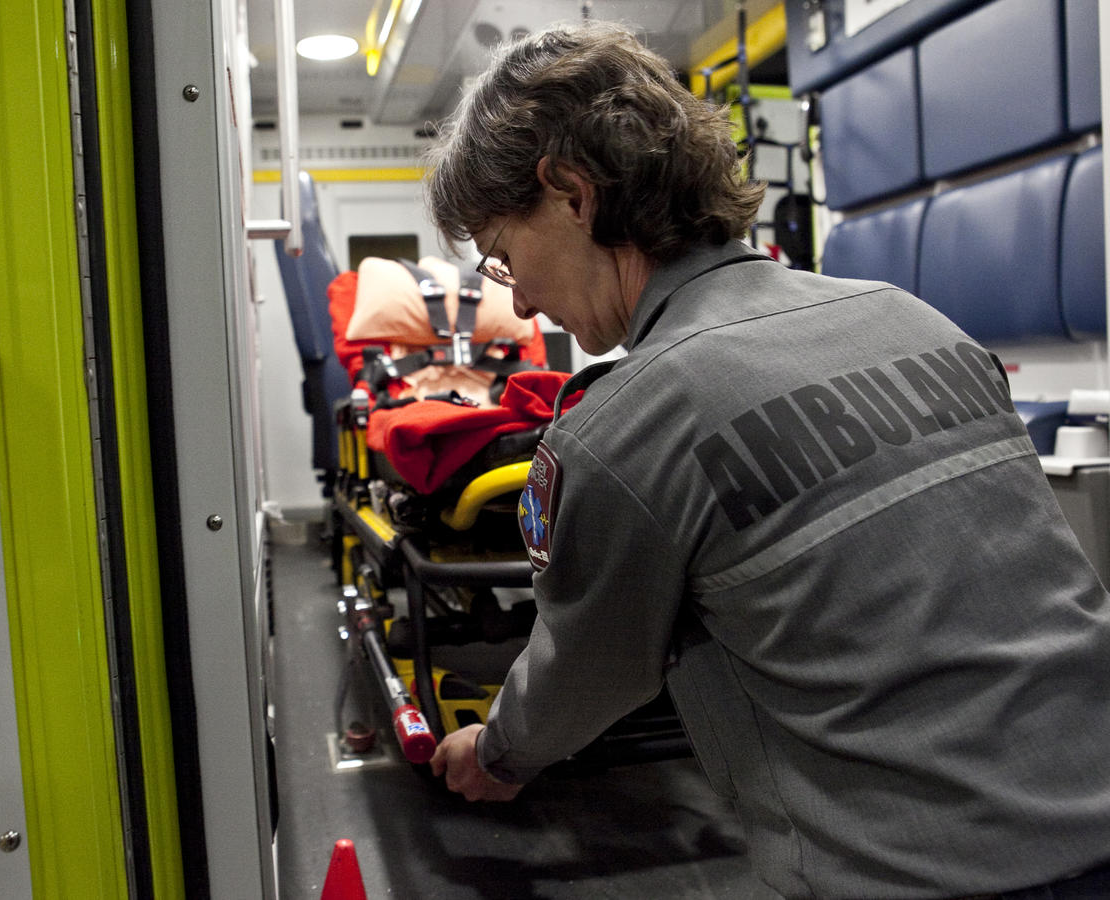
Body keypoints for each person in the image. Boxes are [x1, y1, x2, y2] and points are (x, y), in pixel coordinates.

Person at [423, 21, 1110, 900]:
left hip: (925, 873)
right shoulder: (917, 320)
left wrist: (497, 752)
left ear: (571, 194)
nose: (519, 300)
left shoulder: (626, 428)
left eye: (504, 257)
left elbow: (587, 670)